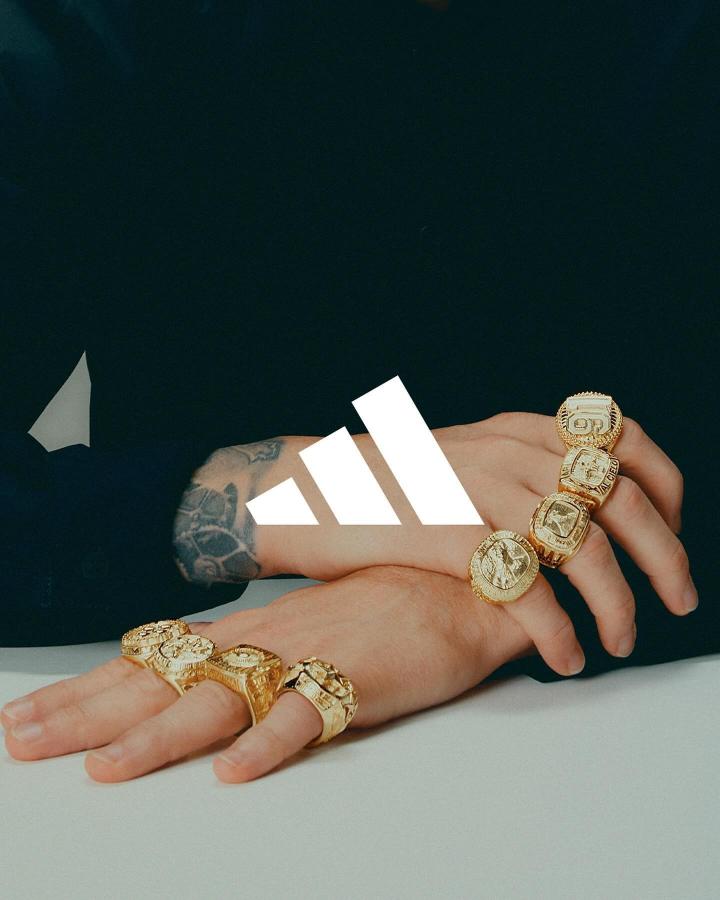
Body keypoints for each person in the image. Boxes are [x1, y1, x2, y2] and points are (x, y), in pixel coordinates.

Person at [1, 2, 718, 780]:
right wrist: (277, 493)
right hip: (194, 730)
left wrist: (469, 592)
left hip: (618, 741)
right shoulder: (79, 33)